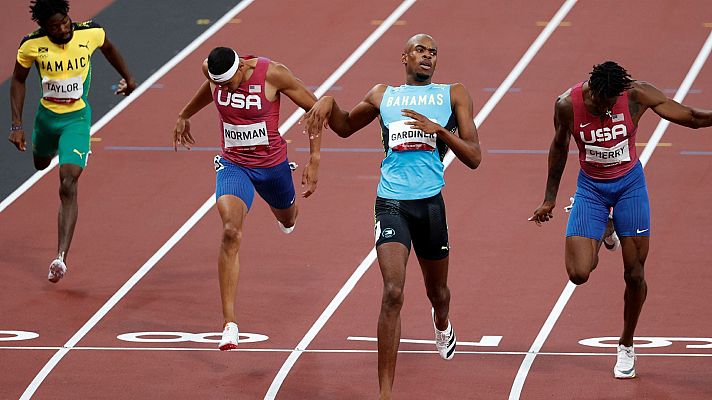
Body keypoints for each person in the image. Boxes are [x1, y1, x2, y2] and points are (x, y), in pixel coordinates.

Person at [302, 33, 481, 399]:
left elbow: (475, 157)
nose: (428, 56)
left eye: (433, 51)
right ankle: (386, 393)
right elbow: (344, 126)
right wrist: (328, 100)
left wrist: (440, 131)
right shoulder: (383, 95)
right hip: (391, 203)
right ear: (404, 57)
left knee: (438, 292)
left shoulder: (453, 93)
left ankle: (442, 320)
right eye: (420, 50)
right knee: (393, 292)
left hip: (430, 205)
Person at [530, 61, 712, 379]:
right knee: (578, 273)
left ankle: (626, 344)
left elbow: (691, 118)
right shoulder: (567, 105)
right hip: (591, 190)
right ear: (592, 90)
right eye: (602, 102)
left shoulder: (636, 95)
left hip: (629, 187)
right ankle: (604, 227)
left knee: (635, 274)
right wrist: (549, 198)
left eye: (613, 103)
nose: (607, 108)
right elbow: (559, 147)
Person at [173, 47, 322, 351]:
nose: (224, 90)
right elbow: (210, 86)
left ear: (240, 67)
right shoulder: (212, 72)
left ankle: (284, 211)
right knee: (230, 231)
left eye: (228, 84)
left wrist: (315, 157)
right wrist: (185, 113)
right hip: (234, 165)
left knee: (288, 219)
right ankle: (229, 325)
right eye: (220, 86)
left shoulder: (273, 74)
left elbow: (315, 108)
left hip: (272, 167)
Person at [8, 0, 136, 283]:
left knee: (68, 181)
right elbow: (18, 80)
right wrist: (17, 125)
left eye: (65, 21)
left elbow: (109, 48)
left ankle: (60, 258)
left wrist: (128, 79)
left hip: (76, 119)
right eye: (55, 26)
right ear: (43, 27)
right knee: (41, 164)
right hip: (46, 120)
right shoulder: (31, 45)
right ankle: (52, 150)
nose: (63, 28)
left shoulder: (90, 32)